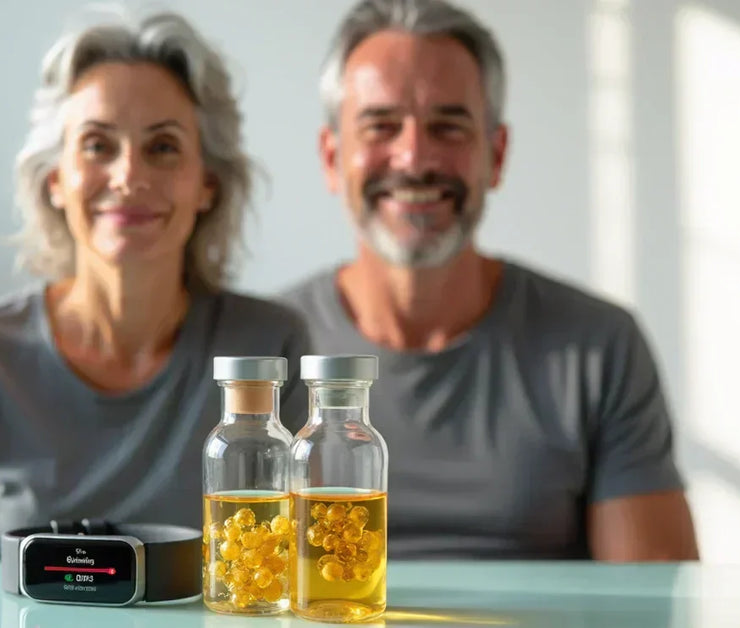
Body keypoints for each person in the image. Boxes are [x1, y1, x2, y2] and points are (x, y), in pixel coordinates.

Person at [0, 6, 309, 560]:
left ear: (208, 183)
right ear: (56, 180)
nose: (129, 175)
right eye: (97, 144)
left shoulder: (270, 349)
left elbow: (300, 576)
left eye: (162, 147)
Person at [280, 0, 699, 561]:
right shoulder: (263, 352)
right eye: (381, 125)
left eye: (447, 127)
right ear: (332, 158)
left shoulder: (599, 347)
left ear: (496, 155)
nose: (414, 157)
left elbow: (651, 606)